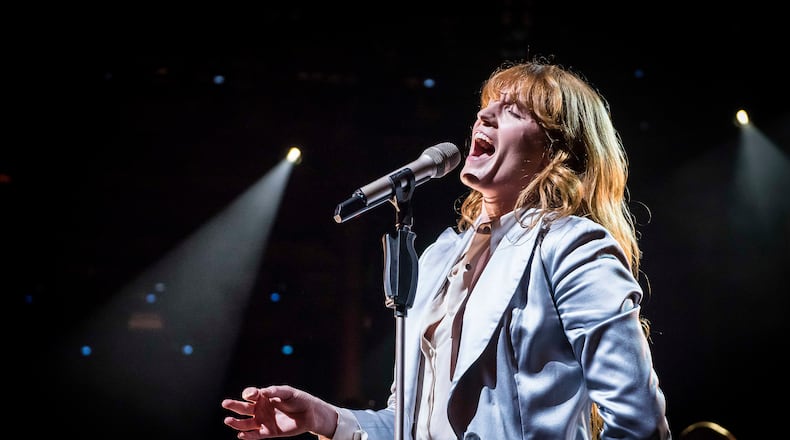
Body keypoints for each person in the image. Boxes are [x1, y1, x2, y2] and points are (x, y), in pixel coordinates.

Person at [221, 58, 672, 440]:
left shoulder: (572, 246)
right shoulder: (441, 257)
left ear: (556, 152)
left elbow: (639, 422)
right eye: (486, 105)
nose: (485, 116)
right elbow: (409, 423)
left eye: (513, 111)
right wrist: (327, 418)